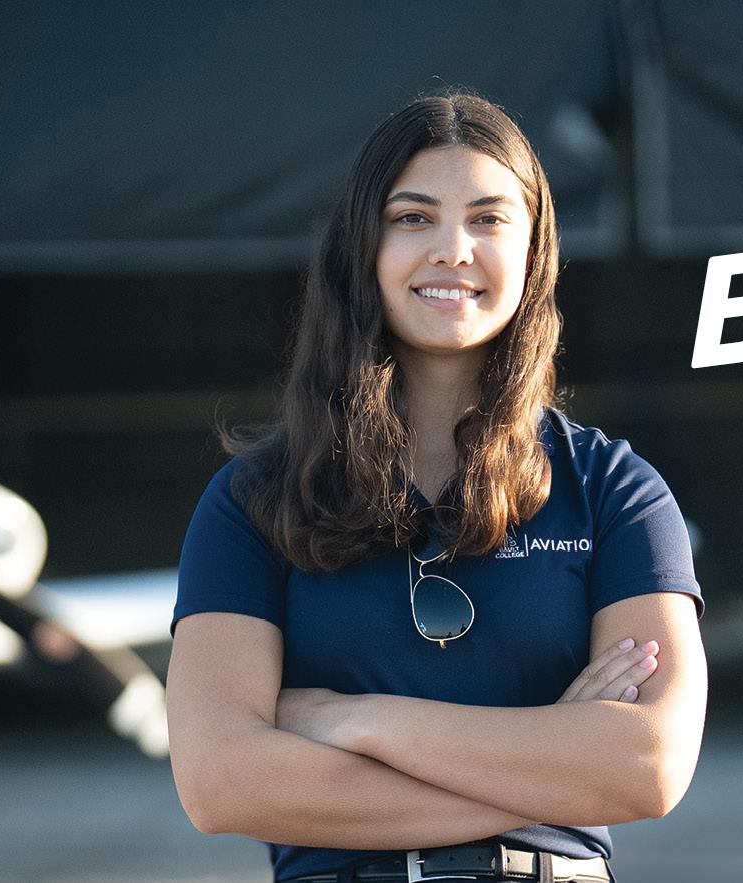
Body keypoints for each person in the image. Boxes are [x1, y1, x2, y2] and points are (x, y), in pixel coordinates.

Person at [167, 90, 707, 883]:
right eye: (413, 217)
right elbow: (221, 782)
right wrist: (550, 757)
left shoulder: (616, 490)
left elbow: (648, 767)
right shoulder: (252, 500)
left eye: (489, 219)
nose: (453, 250)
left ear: (534, 251)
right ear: (363, 245)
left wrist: (360, 720)